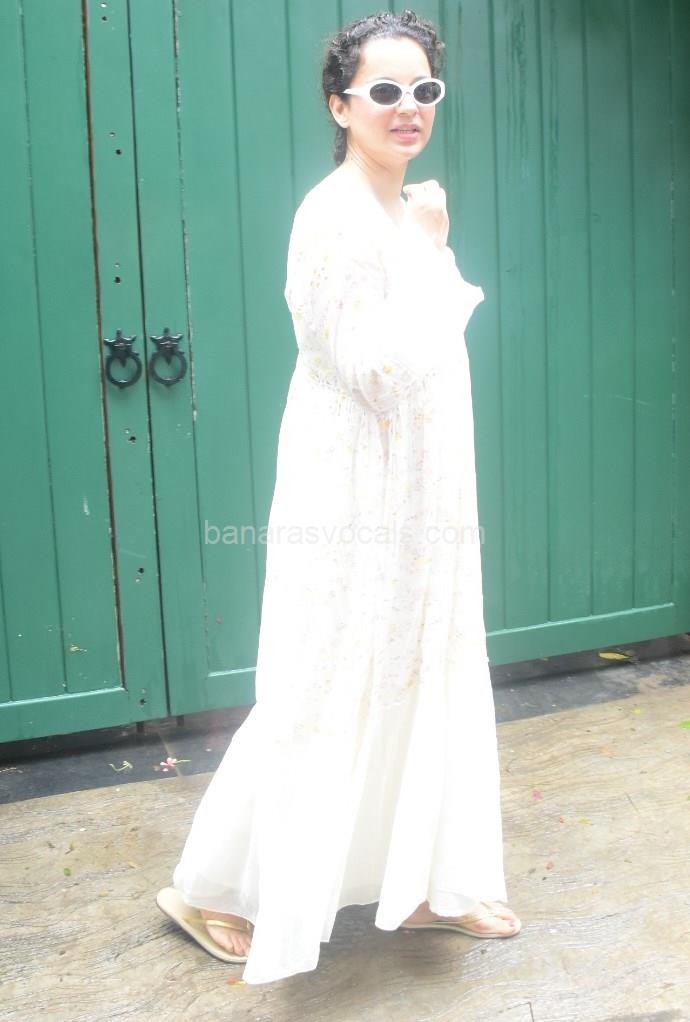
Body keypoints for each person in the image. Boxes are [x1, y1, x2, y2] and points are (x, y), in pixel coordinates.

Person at [156, 8, 521, 986]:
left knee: (424, 664)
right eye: (384, 91)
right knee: (323, 678)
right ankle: (212, 885)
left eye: (424, 89)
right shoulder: (332, 216)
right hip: (352, 496)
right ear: (339, 103)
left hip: (423, 494)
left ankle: (426, 878)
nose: (409, 108)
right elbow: (377, 371)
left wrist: (425, 242)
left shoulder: (399, 209)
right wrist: (436, 254)